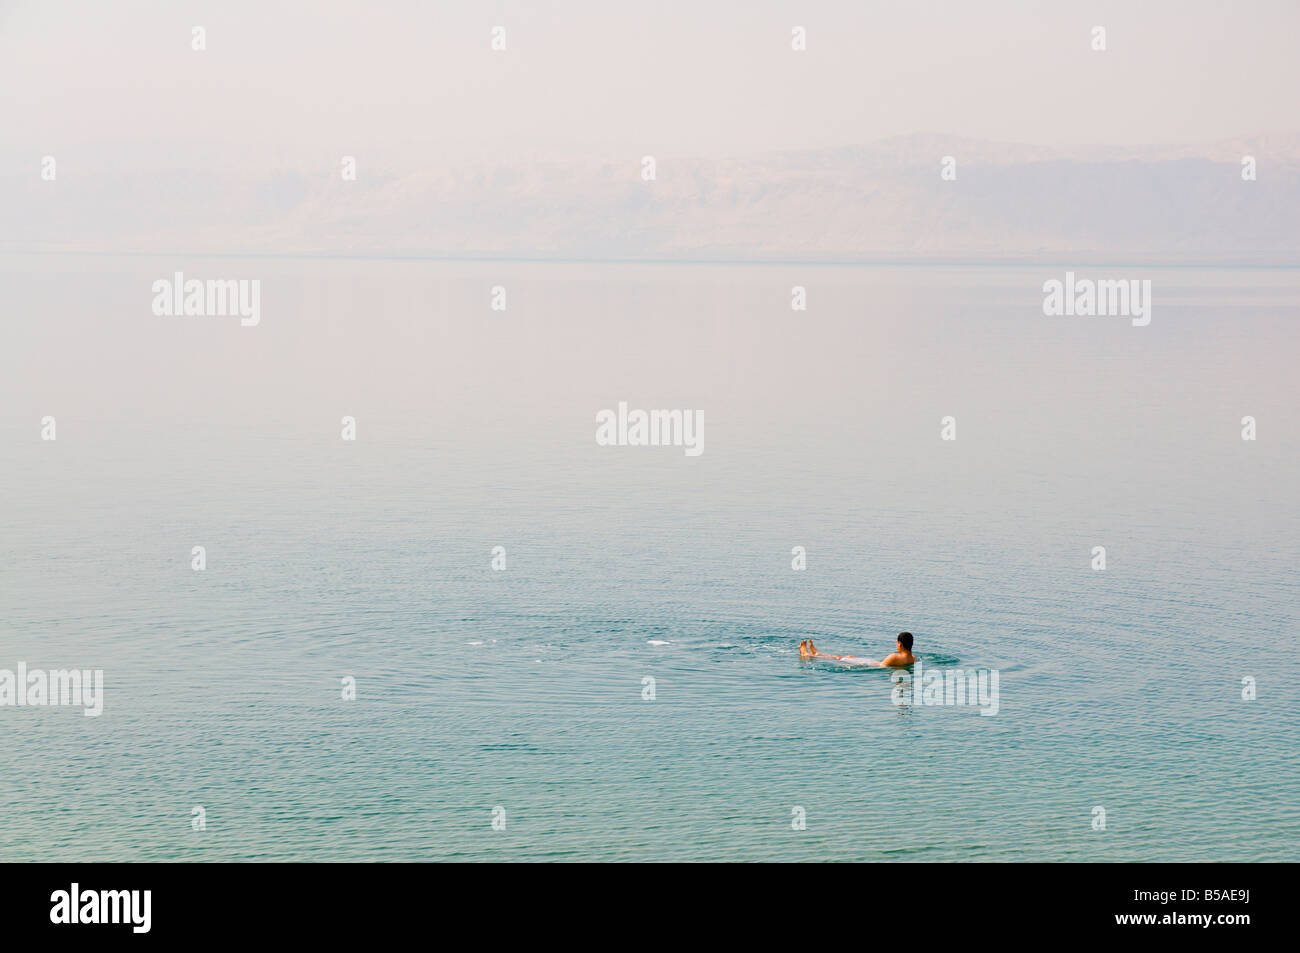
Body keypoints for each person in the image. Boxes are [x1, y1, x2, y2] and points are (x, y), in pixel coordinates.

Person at [799, 632, 915, 667]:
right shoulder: (912, 659)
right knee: (849, 657)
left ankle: (806, 654)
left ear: (899, 644)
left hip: (868, 664)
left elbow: (882, 667)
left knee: (842, 658)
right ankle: (817, 653)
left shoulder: (894, 656)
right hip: (871, 662)